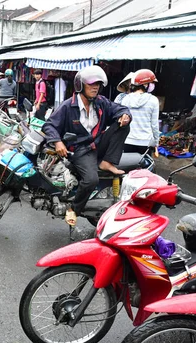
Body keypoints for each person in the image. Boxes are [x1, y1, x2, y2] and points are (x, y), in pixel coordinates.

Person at [42, 65, 131, 226]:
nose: (95, 87)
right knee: (90, 180)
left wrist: (125, 116)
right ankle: (73, 209)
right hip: (81, 151)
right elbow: (49, 125)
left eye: (98, 84)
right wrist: (57, 141)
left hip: (99, 145)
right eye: (91, 84)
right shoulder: (68, 106)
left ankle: (107, 162)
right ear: (80, 85)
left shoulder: (101, 103)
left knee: (124, 124)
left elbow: (121, 109)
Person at [121, 69, 160, 156]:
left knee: (128, 168)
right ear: (145, 84)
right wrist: (156, 142)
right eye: (152, 83)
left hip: (127, 141)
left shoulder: (126, 99)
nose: (153, 85)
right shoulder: (153, 100)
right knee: (144, 169)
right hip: (145, 143)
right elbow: (154, 125)